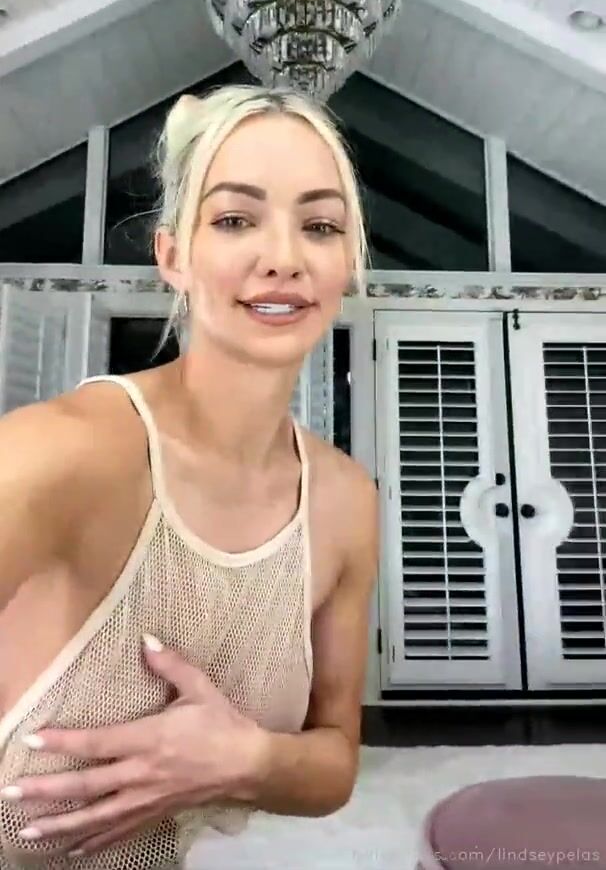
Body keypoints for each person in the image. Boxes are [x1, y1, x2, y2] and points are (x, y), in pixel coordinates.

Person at [0, 85, 379, 868]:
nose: (284, 257)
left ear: (348, 262)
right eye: (236, 219)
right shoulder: (59, 455)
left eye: (320, 226)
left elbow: (335, 761)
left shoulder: (345, 502)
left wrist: (247, 760)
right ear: (173, 256)